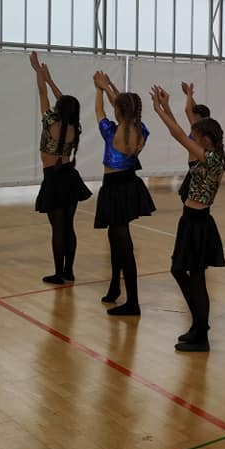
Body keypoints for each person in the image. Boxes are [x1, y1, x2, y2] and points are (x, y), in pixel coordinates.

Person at [150, 85, 225, 351]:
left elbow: (178, 134)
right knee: (183, 272)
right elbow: (183, 131)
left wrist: (159, 110)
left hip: (198, 222)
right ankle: (198, 325)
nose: (192, 137)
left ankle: (201, 333)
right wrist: (167, 106)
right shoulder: (205, 153)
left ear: (205, 140)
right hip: (190, 220)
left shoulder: (211, 158)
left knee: (194, 277)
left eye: (196, 135)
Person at [93, 72, 155, 315]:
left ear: (118, 111)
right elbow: (122, 106)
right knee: (115, 238)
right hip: (130, 186)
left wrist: (99, 89)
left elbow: (100, 110)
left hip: (115, 189)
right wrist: (109, 85)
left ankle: (133, 302)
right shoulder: (141, 130)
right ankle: (114, 287)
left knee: (124, 245)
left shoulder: (111, 132)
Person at [30, 53, 92, 283]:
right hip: (70, 178)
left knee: (57, 228)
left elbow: (43, 94)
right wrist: (50, 79)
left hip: (54, 178)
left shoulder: (50, 122)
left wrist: (40, 73)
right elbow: (64, 102)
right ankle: (68, 271)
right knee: (68, 226)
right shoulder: (75, 126)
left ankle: (58, 273)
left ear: (59, 109)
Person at [179, 82, 211, 203]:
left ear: (200, 117)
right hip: (195, 167)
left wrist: (188, 94)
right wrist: (189, 96)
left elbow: (188, 110)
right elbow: (193, 109)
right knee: (189, 197)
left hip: (197, 167)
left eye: (195, 115)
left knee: (189, 198)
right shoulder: (205, 126)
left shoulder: (200, 129)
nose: (193, 116)